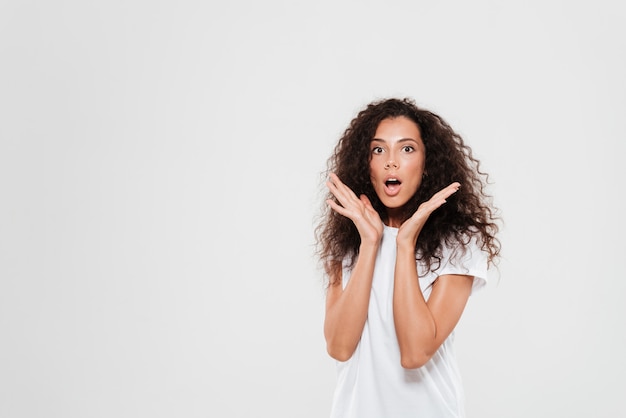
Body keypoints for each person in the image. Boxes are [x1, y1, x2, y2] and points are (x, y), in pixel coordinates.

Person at [315, 97, 500, 418]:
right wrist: (371, 242)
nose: (391, 162)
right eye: (378, 149)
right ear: (365, 162)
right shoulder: (349, 237)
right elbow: (340, 347)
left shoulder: (458, 240)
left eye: (407, 149)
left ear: (427, 163)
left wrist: (404, 243)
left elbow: (415, 352)